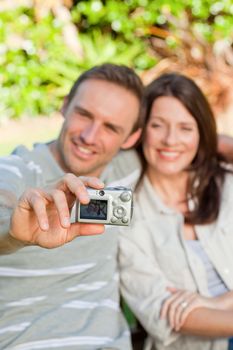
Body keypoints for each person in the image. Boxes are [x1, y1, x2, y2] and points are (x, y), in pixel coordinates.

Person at [0, 63, 143, 350]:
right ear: (65, 106)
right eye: (84, 114)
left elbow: (188, 143)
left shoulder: (128, 168)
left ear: (131, 138)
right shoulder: (18, 170)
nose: (89, 136)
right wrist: (14, 234)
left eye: (111, 127)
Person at [119, 73, 233, 350]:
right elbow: (168, 313)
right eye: (158, 125)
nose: (171, 140)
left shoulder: (226, 184)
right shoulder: (126, 211)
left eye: (185, 128)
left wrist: (220, 302)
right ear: (141, 130)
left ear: (202, 134)